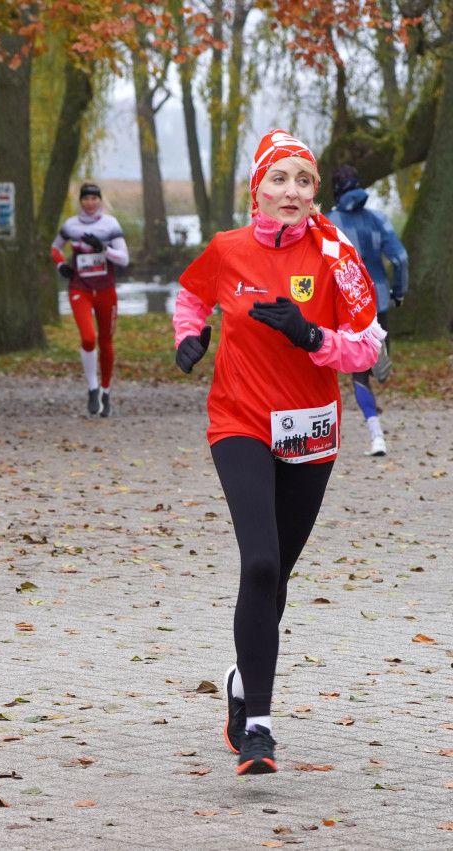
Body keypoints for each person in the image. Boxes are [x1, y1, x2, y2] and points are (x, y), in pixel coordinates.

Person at [172, 130, 384, 775]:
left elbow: (369, 347)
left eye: (303, 180)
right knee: (259, 563)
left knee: (277, 577)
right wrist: (190, 333)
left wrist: (312, 334)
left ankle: (242, 677)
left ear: (314, 193)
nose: (290, 190)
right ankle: (258, 725)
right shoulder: (226, 249)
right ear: (257, 189)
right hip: (237, 421)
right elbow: (189, 296)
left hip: (310, 430)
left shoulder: (335, 255)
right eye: (279, 178)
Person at [325, 165, 408, 456]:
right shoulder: (379, 219)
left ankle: (376, 436)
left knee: (358, 374)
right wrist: (400, 291)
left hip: (349, 306)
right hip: (380, 300)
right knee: (376, 363)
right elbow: (400, 258)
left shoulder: (328, 223)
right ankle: (379, 353)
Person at [51, 182, 130, 417]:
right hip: (80, 288)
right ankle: (92, 389)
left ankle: (106, 390)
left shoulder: (110, 225)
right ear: (80, 201)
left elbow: (124, 258)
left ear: (100, 201)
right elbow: (55, 248)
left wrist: (103, 248)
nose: (89, 203)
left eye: (94, 199)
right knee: (88, 337)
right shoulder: (70, 225)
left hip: (106, 289)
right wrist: (61, 265)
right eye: (85, 199)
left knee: (105, 342)